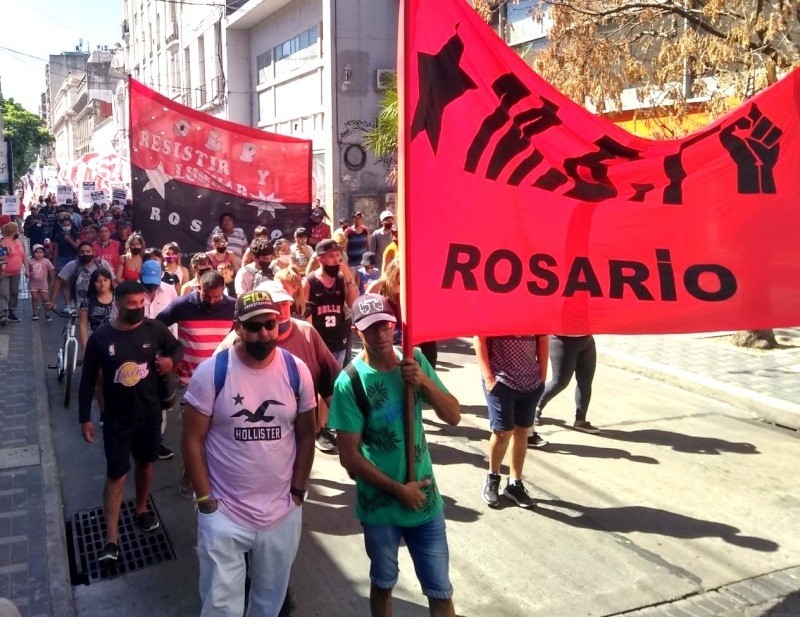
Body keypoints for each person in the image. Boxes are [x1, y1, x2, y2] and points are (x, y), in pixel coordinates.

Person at [182, 289, 316, 616]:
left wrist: (298, 492)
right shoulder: (211, 373)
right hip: (224, 514)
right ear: (238, 327)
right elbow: (191, 440)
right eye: (254, 326)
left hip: (281, 513)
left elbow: (306, 432)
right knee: (220, 606)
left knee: (269, 602)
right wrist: (206, 503)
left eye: (270, 324)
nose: (264, 333)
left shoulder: (296, 370)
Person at [328, 293, 460, 617]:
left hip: (425, 503)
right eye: (371, 329)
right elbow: (349, 457)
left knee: (440, 591)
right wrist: (400, 491)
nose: (381, 335)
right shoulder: (351, 382)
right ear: (358, 332)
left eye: (386, 325)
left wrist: (424, 382)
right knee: (383, 584)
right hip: (381, 508)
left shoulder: (414, 360)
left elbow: (453, 415)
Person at [78, 281, 184, 564]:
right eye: (131, 303)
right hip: (115, 419)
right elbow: (87, 378)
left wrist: (170, 363)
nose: (137, 308)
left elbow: (177, 348)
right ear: (117, 303)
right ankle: (111, 540)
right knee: (116, 475)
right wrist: (84, 419)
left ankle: (141, 509)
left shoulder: (155, 329)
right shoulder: (101, 338)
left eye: (140, 303)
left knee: (146, 464)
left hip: (149, 415)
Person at [475, 335, 548, 509]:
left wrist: (542, 377)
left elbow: (543, 341)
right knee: (502, 432)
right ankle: (493, 477)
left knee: (522, 431)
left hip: (531, 382)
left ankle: (515, 483)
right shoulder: (495, 309)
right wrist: (489, 379)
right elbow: (479, 339)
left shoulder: (536, 312)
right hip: (500, 381)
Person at [157, 270, 236, 388]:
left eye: (217, 297)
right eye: (207, 296)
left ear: (223, 289)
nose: (212, 301)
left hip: (222, 382)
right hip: (188, 382)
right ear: (199, 287)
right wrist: (172, 357)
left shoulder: (233, 306)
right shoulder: (182, 305)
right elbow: (156, 328)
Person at [139, 259, 180, 460]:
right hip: (137, 356)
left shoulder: (170, 291)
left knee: (163, 401)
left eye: (154, 282)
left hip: (162, 355)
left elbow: (175, 325)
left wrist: (173, 356)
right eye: (147, 283)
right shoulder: (131, 292)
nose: (151, 287)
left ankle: (156, 440)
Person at [534, 335, 601, 434]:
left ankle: (580, 420)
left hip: (587, 340)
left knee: (585, 382)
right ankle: (535, 407)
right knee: (559, 383)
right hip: (562, 340)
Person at [49, 243, 114, 309]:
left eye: (88, 251)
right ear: (78, 254)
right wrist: (52, 301)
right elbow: (58, 280)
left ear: (93, 252)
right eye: (82, 252)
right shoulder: (73, 265)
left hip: (102, 306)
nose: (85, 254)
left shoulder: (102, 264)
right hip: (79, 308)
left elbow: (113, 281)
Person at [0, 222, 29, 324]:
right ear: (13, 231)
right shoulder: (3, 242)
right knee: (4, 293)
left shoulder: (18, 241)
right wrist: (5, 253)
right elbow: (1, 256)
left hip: (16, 272)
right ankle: (3, 314)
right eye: (17, 229)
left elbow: (24, 256)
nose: (19, 230)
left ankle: (11, 311)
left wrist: (27, 269)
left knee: (14, 292)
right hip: (4, 273)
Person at [28, 244, 55, 322]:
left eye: (41, 252)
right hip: (33, 284)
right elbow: (28, 270)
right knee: (34, 298)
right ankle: (35, 313)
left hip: (43, 284)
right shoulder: (30, 261)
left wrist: (52, 281)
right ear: (33, 253)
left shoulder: (46, 261)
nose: (39, 254)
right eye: (36, 252)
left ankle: (47, 313)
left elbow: (51, 270)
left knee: (45, 299)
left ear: (44, 253)